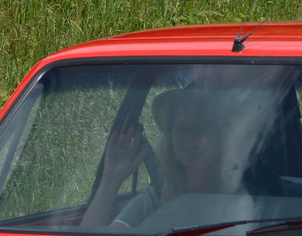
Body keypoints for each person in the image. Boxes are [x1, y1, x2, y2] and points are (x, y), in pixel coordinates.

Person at [82, 88, 238, 228]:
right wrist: (111, 178)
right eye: (182, 129)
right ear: (170, 139)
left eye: (200, 129)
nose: (190, 140)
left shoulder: (240, 196)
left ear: (220, 137)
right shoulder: (157, 197)